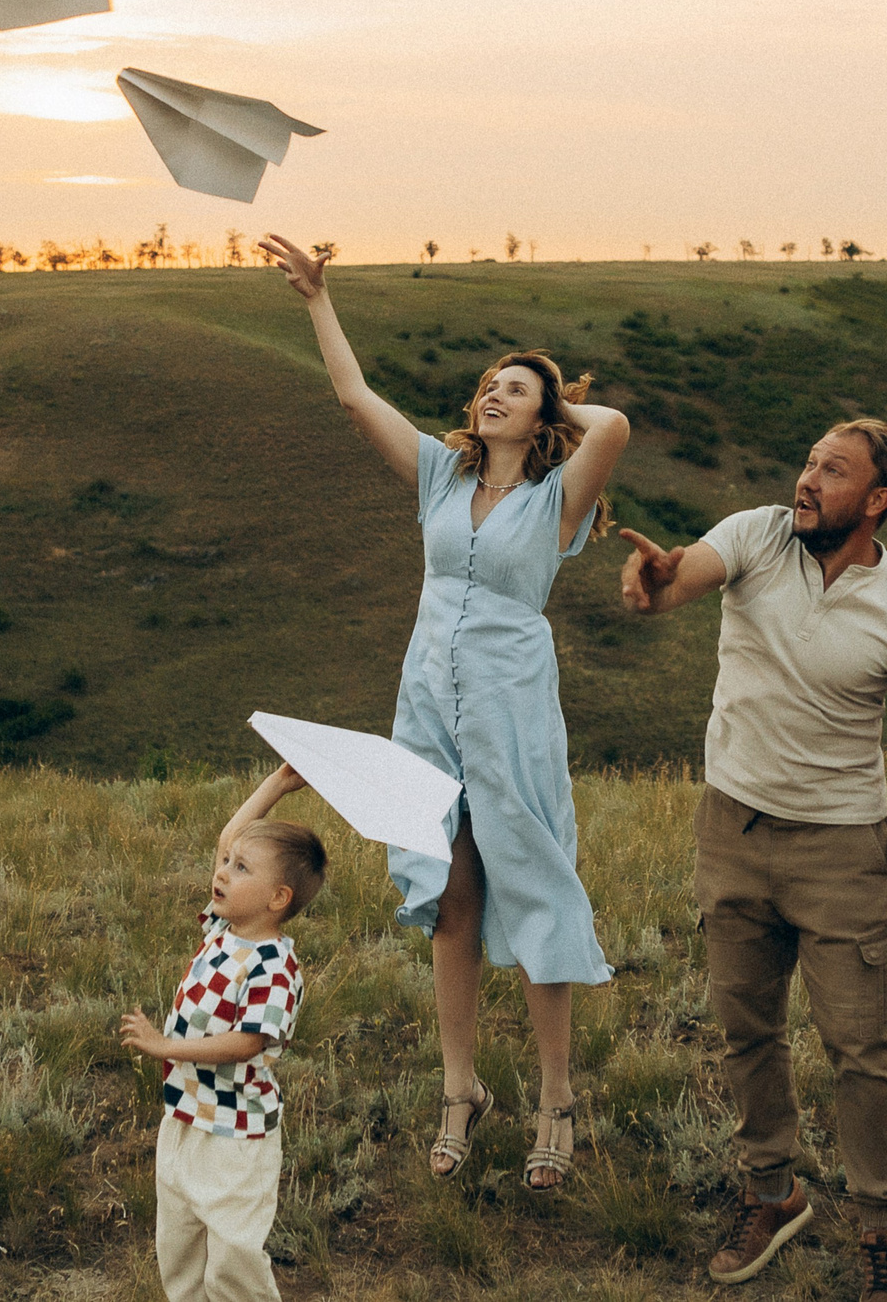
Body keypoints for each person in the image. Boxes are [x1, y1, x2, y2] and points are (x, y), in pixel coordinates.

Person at [257, 233, 629, 1191]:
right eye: (489, 385)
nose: (492, 394)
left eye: (514, 389)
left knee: (534, 887)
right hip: (427, 704)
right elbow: (354, 397)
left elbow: (616, 425)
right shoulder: (442, 474)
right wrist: (317, 299)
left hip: (511, 709)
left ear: (543, 415)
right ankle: (460, 1089)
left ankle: (555, 1098)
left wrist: (553, 393)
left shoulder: (557, 496)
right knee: (450, 896)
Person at [620, 418, 887, 1302]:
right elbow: (684, 577)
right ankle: (772, 1193)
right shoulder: (757, 534)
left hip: (840, 847)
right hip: (731, 826)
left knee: (862, 1044)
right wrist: (657, 583)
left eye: (832, 470)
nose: (807, 478)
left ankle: (882, 1227)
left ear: (877, 499)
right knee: (746, 1025)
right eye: (809, 460)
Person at [119, 763, 325, 1302]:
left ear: (278, 898)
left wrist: (166, 1046)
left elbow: (247, 1042)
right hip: (185, 1116)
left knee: (233, 1256)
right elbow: (229, 835)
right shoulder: (222, 928)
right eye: (227, 864)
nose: (224, 872)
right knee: (179, 1248)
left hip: (237, 1135)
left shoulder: (274, 966)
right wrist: (277, 784)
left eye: (241, 868)